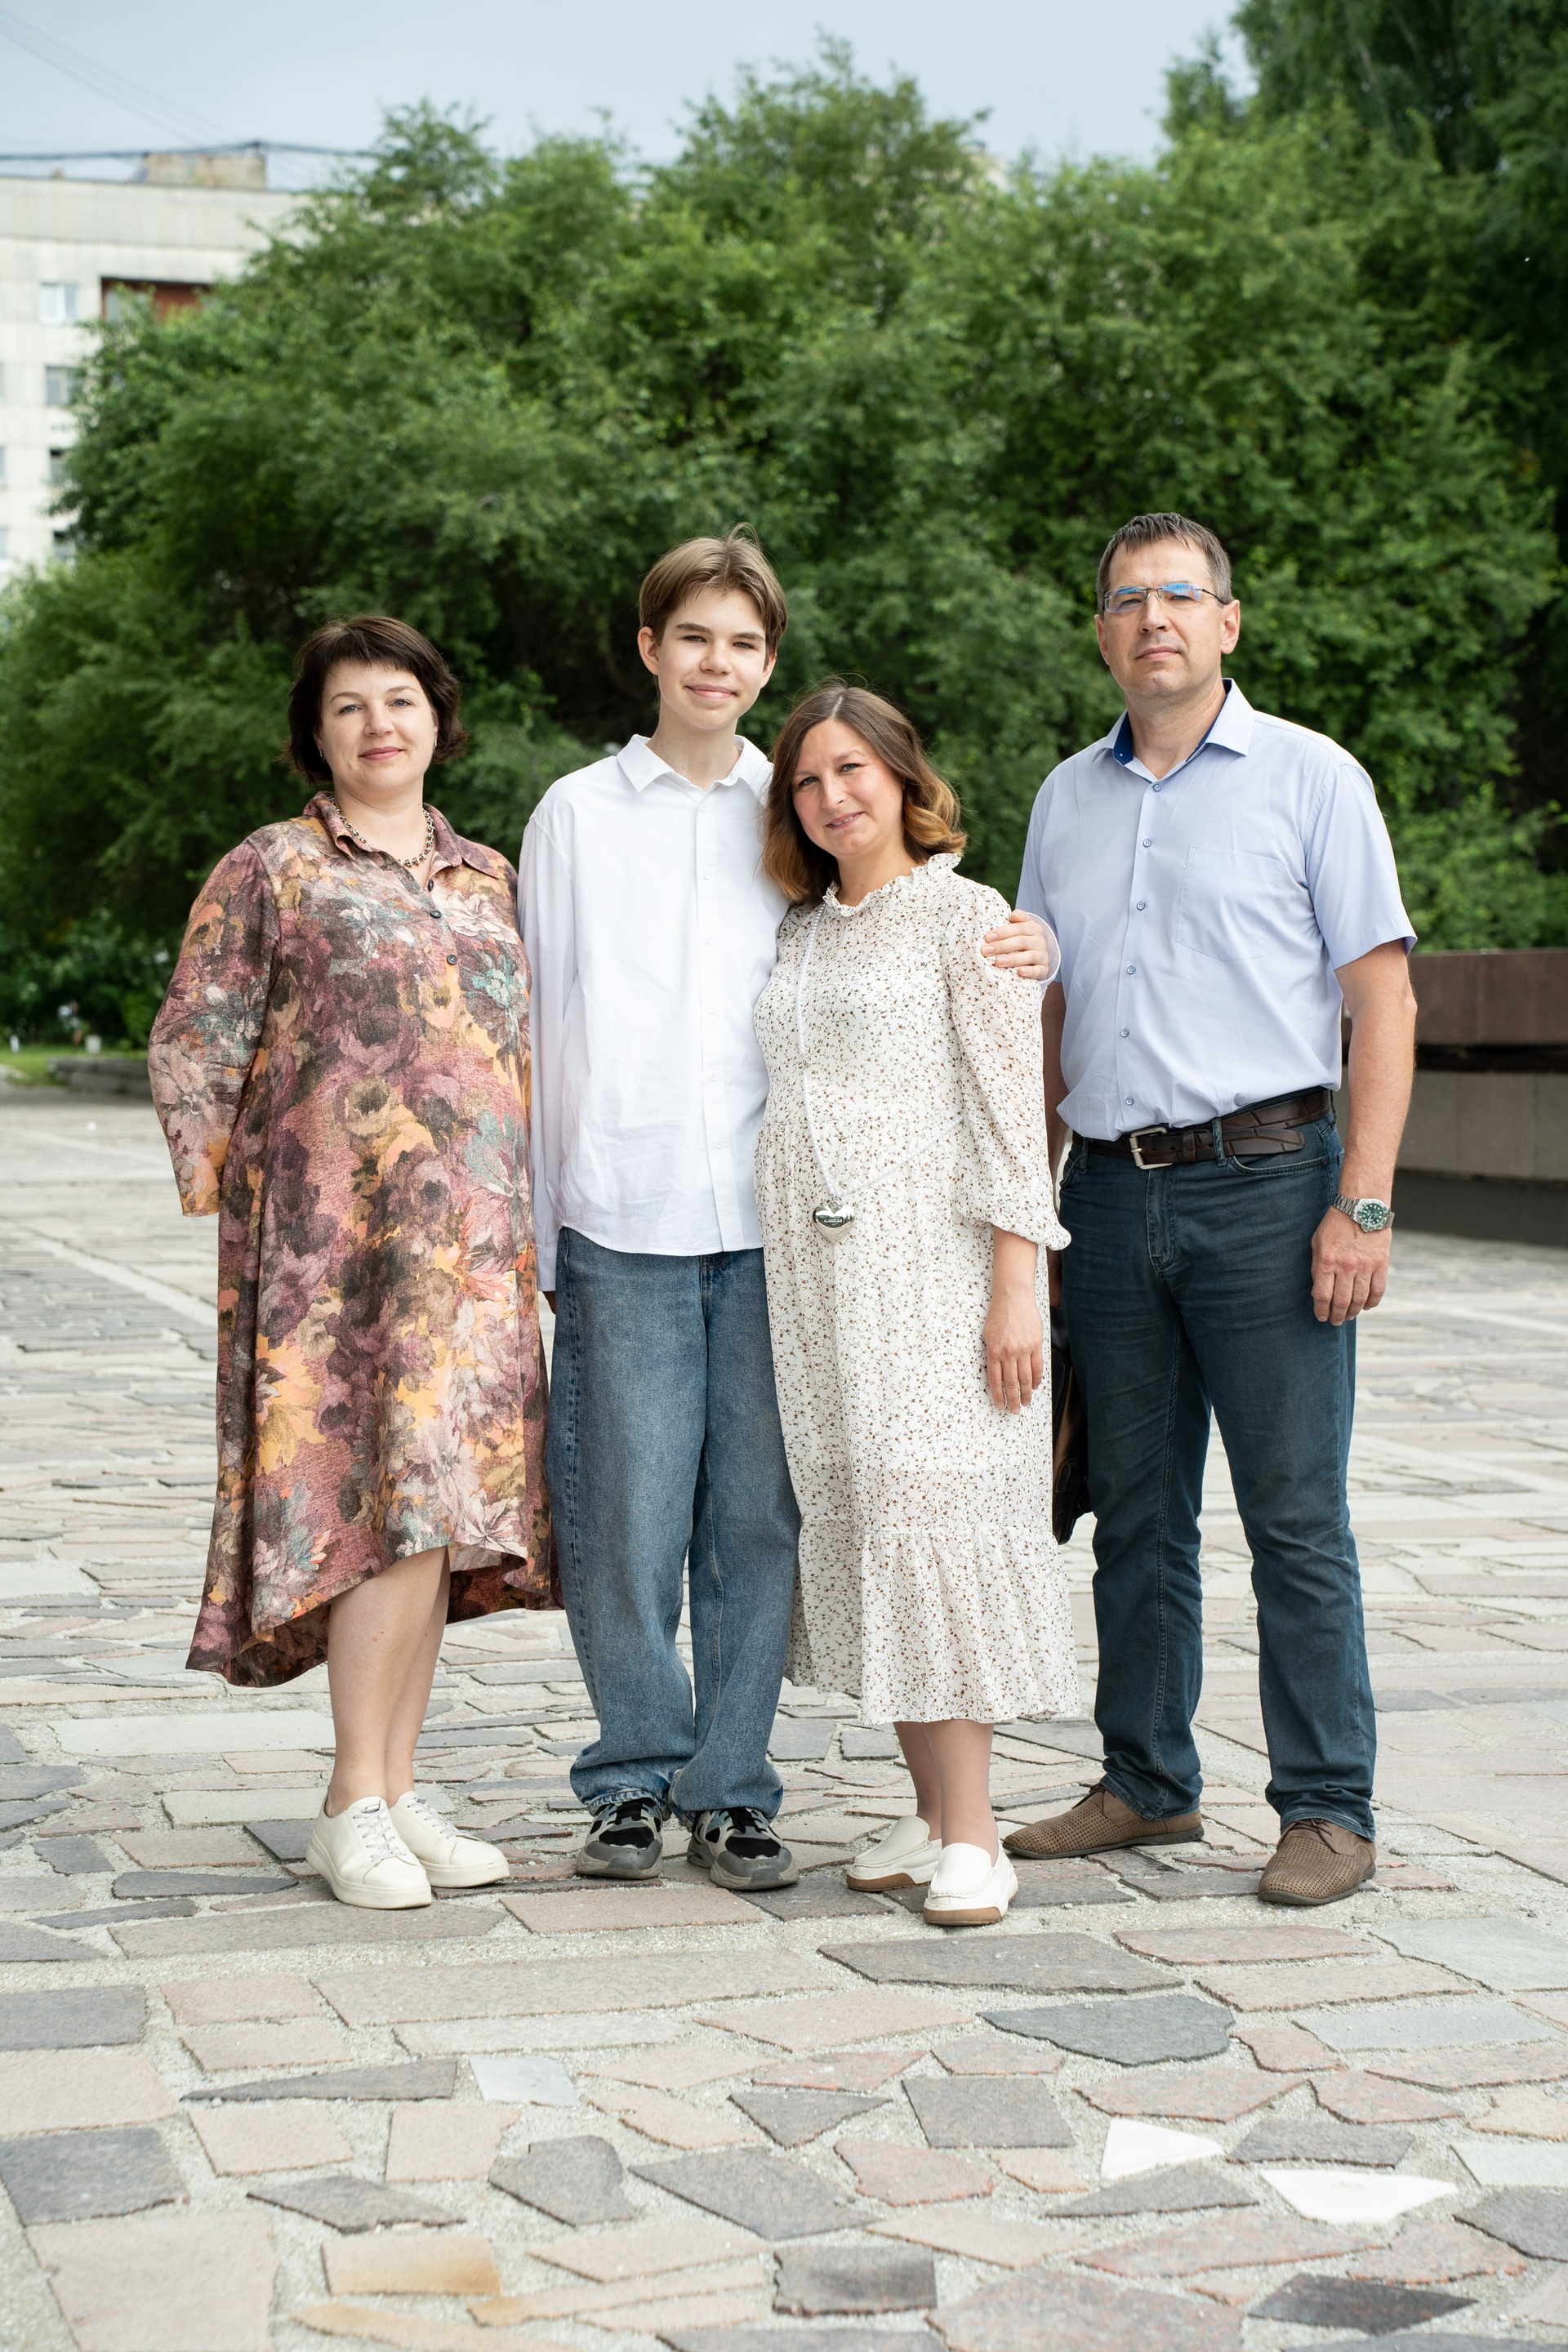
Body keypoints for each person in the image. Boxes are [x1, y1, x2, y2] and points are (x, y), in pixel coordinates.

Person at [519, 531, 1054, 1890]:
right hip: (622, 1209)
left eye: (745, 643)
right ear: (652, 648)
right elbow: (541, 1021)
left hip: (785, 1243)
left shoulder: (792, 813)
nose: (718, 663)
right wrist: (539, 1226)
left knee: (759, 1524)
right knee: (626, 1521)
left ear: (768, 663)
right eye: (694, 636)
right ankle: (632, 1777)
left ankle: (733, 1787)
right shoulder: (577, 813)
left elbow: (917, 940)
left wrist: (1028, 940)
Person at [1006, 511, 1417, 1906]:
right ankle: (1146, 1781)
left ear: (1227, 623)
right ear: (1102, 632)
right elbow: (1047, 1012)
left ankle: (1328, 1808)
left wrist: (1362, 1204)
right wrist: (1032, 1207)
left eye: (1181, 595)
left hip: (1271, 1184)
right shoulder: (1065, 800)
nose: (1155, 620)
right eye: (1128, 600)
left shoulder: (1313, 778)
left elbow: (1381, 1002)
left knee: (1295, 1517)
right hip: (1110, 1195)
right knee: (1133, 1513)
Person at [149, 615, 552, 1911]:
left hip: (476, 1259)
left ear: (438, 719)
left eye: (400, 700)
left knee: (439, 1523)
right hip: (333, 1267)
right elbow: (194, 1038)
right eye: (349, 707)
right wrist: (252, 1212)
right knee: (378, 1518)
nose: (380, 724)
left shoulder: (492, 877)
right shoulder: (272, 868)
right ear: (316, 736)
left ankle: (397, 1786)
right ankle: (352, 1803)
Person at [753, 684, 1079, 1927]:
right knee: (863, 1521)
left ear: (901, 774)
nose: (832, 796)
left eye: (853, 769)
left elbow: (1010, 1110)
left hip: (934, 1276)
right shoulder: (801, 931)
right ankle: (931, 1810)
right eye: (808, 780)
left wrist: (1017, 1285)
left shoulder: (967, 917)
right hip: (819, 1284)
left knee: (930, 1520)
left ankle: (979, 1835)